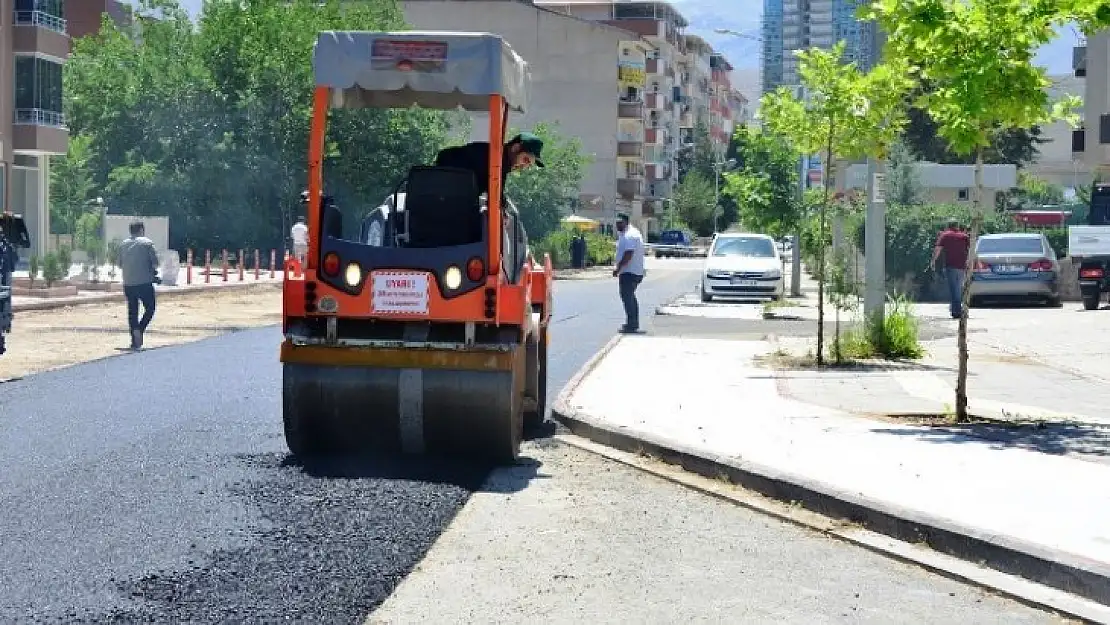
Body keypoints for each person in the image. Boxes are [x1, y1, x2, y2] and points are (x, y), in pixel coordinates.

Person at [433, 132, 545, 198]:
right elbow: (496, 196)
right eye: (525, 160)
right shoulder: (494, 161)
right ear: (515, 148)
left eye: (529, 165)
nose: (524, 167)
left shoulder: (499, 162)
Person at [118, 221, 161, 350]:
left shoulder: (123, 245)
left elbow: (119, 264)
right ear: (141, 230)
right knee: (150, 308)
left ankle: (134, 340)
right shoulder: (147, 243)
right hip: (144, 283)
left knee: (132, 311)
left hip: (128, 284)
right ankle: (140, 330)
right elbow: (155, 263)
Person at [931, 218, 971, 319]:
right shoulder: (964, 236)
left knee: (954, 289)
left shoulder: (945, 235)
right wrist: (973, 263)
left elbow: (938, 249)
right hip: (962, 266)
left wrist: (933, 261)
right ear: (957, 226)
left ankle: (957, 312)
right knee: (958, 288)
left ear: (948, 226)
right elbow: (971, 250)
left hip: (951, 265)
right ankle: (957, 309)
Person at [613, 212, 646, 333]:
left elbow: (628, 254)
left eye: (619, 223)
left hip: (630, 272)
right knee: (629, 296)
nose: (617, 225)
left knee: (627, 296)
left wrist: (618, 268)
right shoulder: (627, 233)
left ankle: (632, 324)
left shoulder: (630, 235)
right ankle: (633, 322)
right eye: (616, 223)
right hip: (632, 271)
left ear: (625, 222)